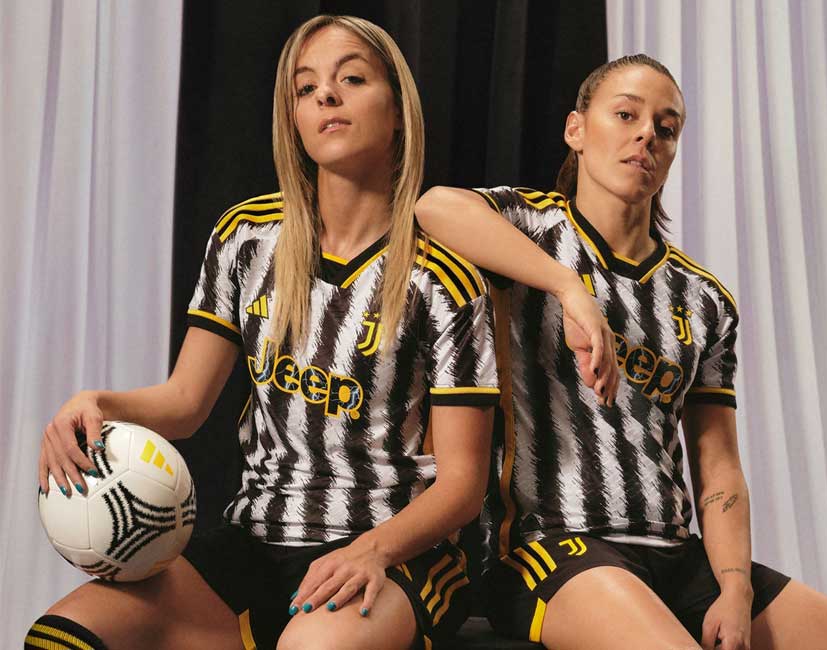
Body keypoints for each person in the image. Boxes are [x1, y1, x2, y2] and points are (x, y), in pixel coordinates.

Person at [29, 15, 498, 650]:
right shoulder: (246, 238)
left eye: (351, 79)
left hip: (393, 548)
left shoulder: (441, 274)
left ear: (397, 113)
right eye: (306, 88)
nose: (326, 95)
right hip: (257, 539)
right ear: (293, 119)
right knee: (61, 637)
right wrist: (97, 403)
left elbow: (464, 484)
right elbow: (185, 403)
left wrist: (372, 551)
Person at [415, 54, 827, 650]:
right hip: (551, 549)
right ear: (576, 129)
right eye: (626, 115)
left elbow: (717, 464)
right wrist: (570, 289)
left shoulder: (703, 298)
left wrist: (735, 588)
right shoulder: (530, 228)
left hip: (674, 553)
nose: (646, 134)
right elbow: (433, 207)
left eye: (665, 128)